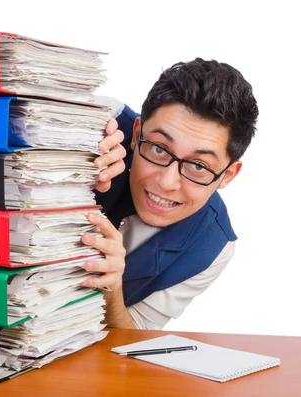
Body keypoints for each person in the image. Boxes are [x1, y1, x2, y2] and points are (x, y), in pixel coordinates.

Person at [83, 57, 259, 329]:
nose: (166, 182)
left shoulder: (212, 248)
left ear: (227, 175)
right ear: (137, 132)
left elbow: (136, 334)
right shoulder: (97, 120)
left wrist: (111, 289)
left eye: (199, 166)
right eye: (159, 149)